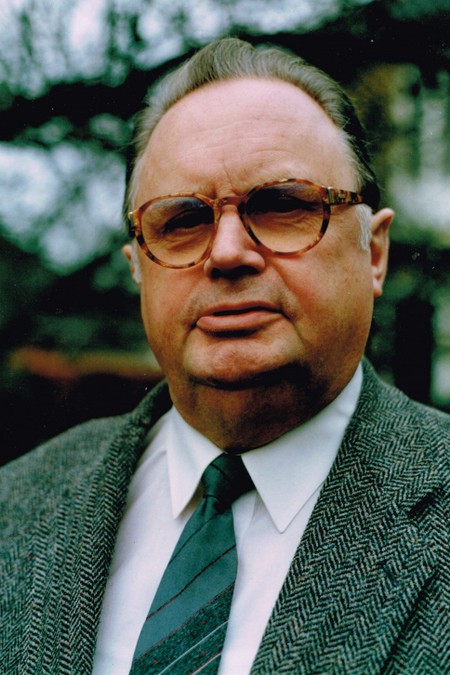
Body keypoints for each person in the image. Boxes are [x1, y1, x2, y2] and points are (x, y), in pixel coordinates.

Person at [1, 38, 448, 675]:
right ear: (138, 269)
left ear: (373, 254)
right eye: (183, 220)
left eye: (283, 204)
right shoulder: (16, 505)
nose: (228, 252)